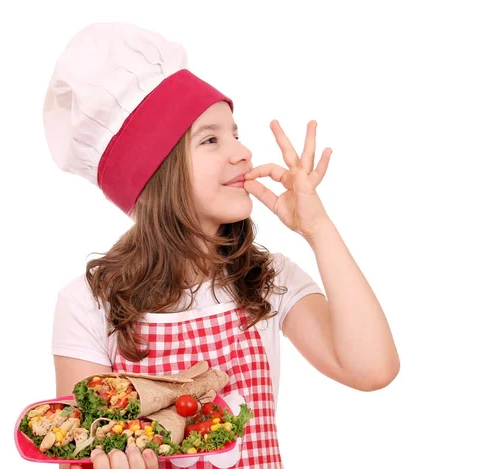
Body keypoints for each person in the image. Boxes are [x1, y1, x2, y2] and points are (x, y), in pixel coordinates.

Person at [44, 21, 400, 469]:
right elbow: (77, 452)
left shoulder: (268, 280)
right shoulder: (89, 303)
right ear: (155, 174)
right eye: (211, 139)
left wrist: (318, 228)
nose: (242, 152)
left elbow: (372, 368)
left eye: (235, 132)